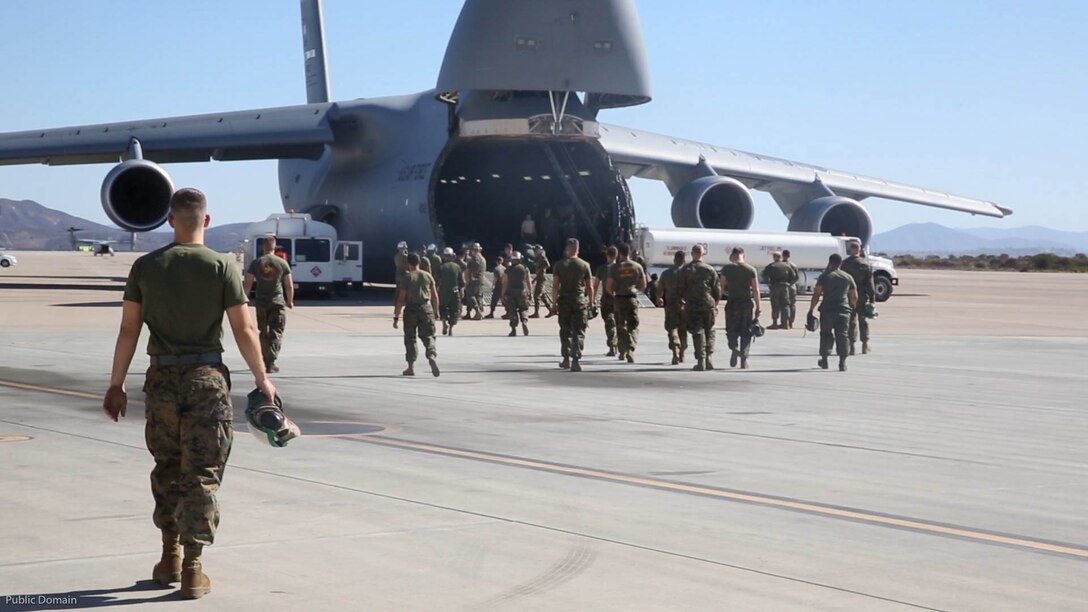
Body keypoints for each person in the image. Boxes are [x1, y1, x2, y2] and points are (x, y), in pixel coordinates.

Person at [103, 187, 275, 600]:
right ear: (207, 221)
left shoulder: (146, 266)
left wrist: (116, 383)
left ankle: (169, 558)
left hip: (161, 382)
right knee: (202, 473)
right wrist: (262, 379)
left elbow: (129, 329)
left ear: (170, 221)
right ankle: (194, 569)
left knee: (167, 467)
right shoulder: (222, 266)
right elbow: (244, 328)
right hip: (206, 380)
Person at [243, 235, 294, 373]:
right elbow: (288, 285)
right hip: (277, 302)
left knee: (263, 332)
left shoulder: (256, 263)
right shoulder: (282, 262)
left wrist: (245, 299)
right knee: (276, 332)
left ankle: (263, 360)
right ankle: (270, 362)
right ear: (274, 246)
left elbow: (248, 283)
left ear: (263, 246)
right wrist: (290, 301)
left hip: (261, 302)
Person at [807, 253, 858, 371]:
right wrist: (852, 308)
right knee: (843, 335)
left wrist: (811, 309)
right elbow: (854, 296)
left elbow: (817, 294)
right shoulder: (848, 277)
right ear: (840, 263)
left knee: (826, 334)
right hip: (843, 311)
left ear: (830, 262)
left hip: (827, 311)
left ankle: (824, 360)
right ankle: (842, 362)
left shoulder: (824, 276)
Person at [551, 238, 594, 372]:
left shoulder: (559, 265)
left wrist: (553, 303)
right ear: (578, 248)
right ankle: (576, 360)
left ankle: (565, 359)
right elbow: (590, 287)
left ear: (567, 248)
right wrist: (591, 302)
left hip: (564, 301)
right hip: (579, 301)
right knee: (579, 331)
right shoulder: (585, 265)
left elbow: (555, 286)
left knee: (565, 331)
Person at [393, 253, 440, 377]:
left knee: (410, 338)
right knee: (429, 335)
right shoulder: (428, 276)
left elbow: (401, 299)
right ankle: (431, 354)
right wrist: (436, 312)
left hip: (411, 309)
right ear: (419, 262)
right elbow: (435, 296)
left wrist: (396, 317)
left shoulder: (407, 277)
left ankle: (410, 367)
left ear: (408, 263)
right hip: (426, 308)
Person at [676, 244, 721, 371]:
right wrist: (715, 303)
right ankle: (709, 358)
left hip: (692, 304)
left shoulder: (685, 270)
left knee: (697, 332)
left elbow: (680, 288)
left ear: (692, 253)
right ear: (703, 253)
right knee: (710, 330)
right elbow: (717, 290)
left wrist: (681, 301)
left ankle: (701, 360)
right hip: (708, 304)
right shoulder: (710, 270)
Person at [719, 246, 762, 369]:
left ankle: (734, 348)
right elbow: (755, 289)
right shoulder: (751, 269)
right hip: (746, 304)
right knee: (746, 332)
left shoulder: (726, 268)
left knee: (731, 330)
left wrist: (716, 303)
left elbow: (721, 288)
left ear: (733, 255)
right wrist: (758, 306)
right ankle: (744, 358)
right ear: (744, 255)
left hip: (732, 304)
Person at [606, 242, 647, 363]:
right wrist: (637, 292)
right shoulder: (637, 266)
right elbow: (643, 285)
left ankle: (622, 351)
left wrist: (614, 292)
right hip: (632, 298)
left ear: (619, 253)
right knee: (633, 326)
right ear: (629, 253)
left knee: (620, 325)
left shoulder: (614, 268)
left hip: (619, 298)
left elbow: (608, 285)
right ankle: (630, 349)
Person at [840, 240, 876, 355]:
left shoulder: (844, 264)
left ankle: (851, 345)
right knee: (863, 320)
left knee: (851, 321)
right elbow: (870, 284)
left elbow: (841, 281)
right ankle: (865, 344)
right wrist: (872, 299)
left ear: (851, 250)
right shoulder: (865, 264)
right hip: (861, 296)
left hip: (849, 296)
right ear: (859, 250)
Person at [656, 250, 689, 365]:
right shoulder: (688, 273)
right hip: (684, 305)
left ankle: (675, 349)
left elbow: (660, 288)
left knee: (672, 329)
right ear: (684, 260)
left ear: (674, 260)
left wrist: (659, 298)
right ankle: (682, 354)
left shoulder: (666, 273)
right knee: (683, 330)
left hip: (670, 305)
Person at [593, 246, 618, 356]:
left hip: (607, 299)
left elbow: (595, 285)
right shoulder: (621, 268)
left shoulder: (602, 269)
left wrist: (592, 300)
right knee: (620, 323)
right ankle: (622, 347)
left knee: (609, 323)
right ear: (616, 255)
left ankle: (612, 345)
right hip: (620, 298)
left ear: (607, 255)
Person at [762, 251, 798, 329]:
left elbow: (764, 275)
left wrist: (768, 283)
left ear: (774, 257)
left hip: (775, 287)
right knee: (785, 305)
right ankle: (785, 324)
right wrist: (789, 283)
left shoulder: (771, 266)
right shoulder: (787, 266)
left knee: (775, 305)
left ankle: (775, 323)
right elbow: (794, 276)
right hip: (785, 287)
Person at [501, 250, 532, 336]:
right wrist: (530, 292)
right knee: (524, 309)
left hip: (511, 293)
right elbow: (529, 281)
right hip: (522, 292)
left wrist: (502, 294)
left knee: (512, 311)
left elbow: (505, 282)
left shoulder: (508, 270)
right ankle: (524, 321)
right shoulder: (525, 269)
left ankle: (513, 330)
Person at [435, 247, 465, 336]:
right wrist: (462, 290)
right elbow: (461, 281)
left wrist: (436, 291)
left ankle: (444, 323)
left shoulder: (441, 267)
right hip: (454, 291)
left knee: (443, 308)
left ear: (444, 256)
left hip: (443, 292)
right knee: (455, 310)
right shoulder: (457, 267)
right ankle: (451, 329)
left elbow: (437, 281)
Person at [463, 242, 486, 320]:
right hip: (480, 280)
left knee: (470, 296)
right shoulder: (483, 258)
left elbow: (470, 270)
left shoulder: (475, 258)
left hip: (474, 280)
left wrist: (468, 280)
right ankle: (469, 313)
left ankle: (478, 312)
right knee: (478, 297)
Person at [529, 244, 552, 318]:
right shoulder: (539, 258)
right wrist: (535, 279)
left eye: (535, 250)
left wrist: (541, 268)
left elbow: (548, 265)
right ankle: (551, 310)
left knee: (536, 296)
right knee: (543, 296)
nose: (534, 252)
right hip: (539, 278)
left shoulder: (542, 257)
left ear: (539, 250)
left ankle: (536, 313)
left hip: (541, 279)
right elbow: (539, 271)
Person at [782, 249, 800, 329]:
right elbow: (797, 277)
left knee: (784, 305)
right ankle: (790, 322)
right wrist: (791, 284)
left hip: (785, 287)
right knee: (792, 305)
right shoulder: (793, 265)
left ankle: (785, 322)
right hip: (792, 287)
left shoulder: (781, 264)